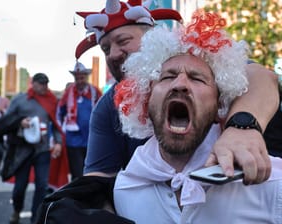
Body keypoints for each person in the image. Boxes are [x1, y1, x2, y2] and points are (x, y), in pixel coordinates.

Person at [75, 0, 278, 184]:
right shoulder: (106, 108)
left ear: (152, 38)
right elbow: (99, 178)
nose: (114, 54)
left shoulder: (197, 64)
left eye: (123, 41)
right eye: (106, 48)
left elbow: (260, 77)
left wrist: (241, 127)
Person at [113, 10, 282, 223]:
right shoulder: (125, 189)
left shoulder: (272, 185)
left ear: (220, 106)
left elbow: (265, 78)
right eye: (168, 76)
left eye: (197, 78)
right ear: (146, 100)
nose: (180, 84)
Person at [0, 73, 64, 224]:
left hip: (42, 150)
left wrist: (58, 142)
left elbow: (56, 124)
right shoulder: (20, 100)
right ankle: (17, 210)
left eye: (46, 83)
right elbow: (7, 120)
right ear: (34, 84)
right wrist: (20, 122)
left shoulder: (51, 100)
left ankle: (36, 218)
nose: (44, 86)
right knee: (20, 186)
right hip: (23, 149)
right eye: (41, 84)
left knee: (42, 186)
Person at [57, 62, 102, 180]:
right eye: (77, 78)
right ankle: (77, 197)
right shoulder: (68, 92)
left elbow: (103, 111)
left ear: (86, 77)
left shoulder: (94, 91)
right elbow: (59, 112)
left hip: (91, 139)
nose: (79, 80)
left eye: (82, 77)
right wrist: (61, 130)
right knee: (77, 173)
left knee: (91, 171)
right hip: (73, 140)